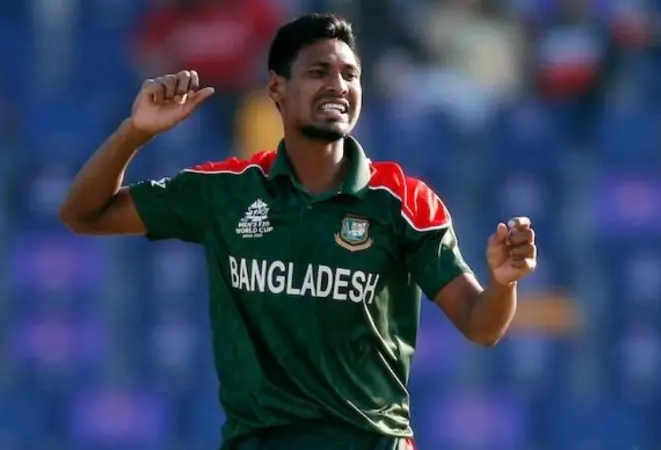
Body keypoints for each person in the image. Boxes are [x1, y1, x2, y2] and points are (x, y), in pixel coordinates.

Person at [59, 13, 538, 450]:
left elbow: (481, 326)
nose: (338, 86)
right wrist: (135, 133)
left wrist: (503, 282)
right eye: (318, 72)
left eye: (350, 74)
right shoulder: (228, 192)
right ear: (277, 88)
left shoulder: (403, 202)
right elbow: (84, 214)